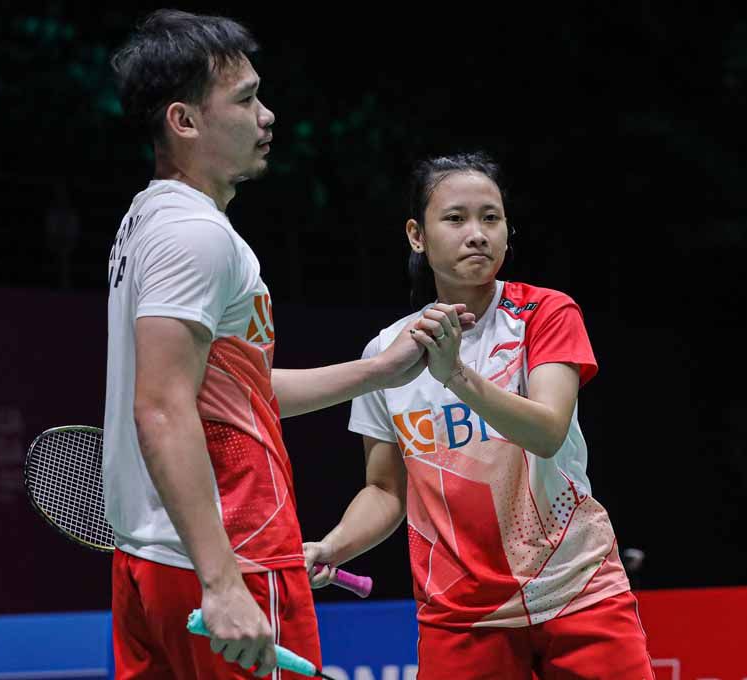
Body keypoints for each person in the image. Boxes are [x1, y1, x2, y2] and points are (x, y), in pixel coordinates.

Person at [102, 10, 474, 679]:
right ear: (184, 121)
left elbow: (235, 393)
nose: (267, 116)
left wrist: (382, 370)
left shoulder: (145, 223)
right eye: (245, 100)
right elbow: (161, 409)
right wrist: (221, 582)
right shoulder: (196, 237)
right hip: (228, 551)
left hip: (154, 561)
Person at [303, 152, 655, 679]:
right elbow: (384, 490)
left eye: (491, 218)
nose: (477, 234)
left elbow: (547, 429)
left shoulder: (545, 313)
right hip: (461, 613)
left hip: (575, 587)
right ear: (416, 236)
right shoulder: (388, 351)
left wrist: (455, 376)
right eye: (455, 218)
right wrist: (333, 545)